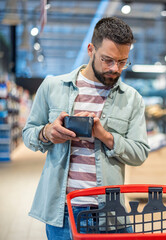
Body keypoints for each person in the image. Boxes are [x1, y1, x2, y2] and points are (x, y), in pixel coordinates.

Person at [22, 17, 150, 239]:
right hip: (62, 210)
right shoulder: (53, 86)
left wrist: (104, 136)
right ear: (91, 50)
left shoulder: (132, 99)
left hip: (109, 212)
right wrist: (47, 133)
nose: (115, 69)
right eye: (107, 60)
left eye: (122, 62)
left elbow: (140, 154)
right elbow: (28, 134)